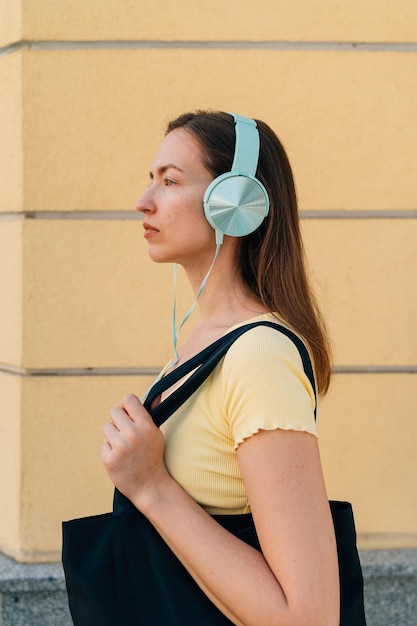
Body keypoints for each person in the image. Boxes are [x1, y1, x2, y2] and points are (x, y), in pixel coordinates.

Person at [101, 110, 340, 625]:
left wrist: (151, 486)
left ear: (233, 203)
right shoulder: (200, 346)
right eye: (151, 181)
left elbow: (308, 617)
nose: (144, 202)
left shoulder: (259, 356)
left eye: (169, 181)